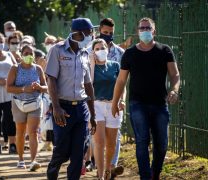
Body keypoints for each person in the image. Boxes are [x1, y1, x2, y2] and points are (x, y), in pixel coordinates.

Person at [112, 17, 180, 180]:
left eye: (147, 28)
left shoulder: (165, 51)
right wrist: (115, 102)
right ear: (137, 32)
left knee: (162, 144)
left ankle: (154, 174)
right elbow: (121, 80)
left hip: (160, 104)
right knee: (142, 141)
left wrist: (175, 90)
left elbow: (175, 74)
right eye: (141, 28)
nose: (144, 31)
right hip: (137, 104)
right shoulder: (130, 53)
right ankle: (145, 177)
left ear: (154, 31)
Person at [45, 18, 97, 180]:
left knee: (79, 150)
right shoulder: (57, 50)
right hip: (63, 109)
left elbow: (88, 86)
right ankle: (52, 172)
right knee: (62, 150)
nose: (92, 36)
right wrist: (56, 107)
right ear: (79, 33)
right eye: (89, 33)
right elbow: (51, 80)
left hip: (81, 109)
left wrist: (93, 115)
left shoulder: (84, 54)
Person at [85, 17, 126, 177]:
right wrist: (92, 61)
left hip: (113, 105)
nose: (101, 49)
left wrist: (121, 100)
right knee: (99, 142)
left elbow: (122, 84)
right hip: (96, 106)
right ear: (93, 50)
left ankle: (109, 169)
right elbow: (88, 83)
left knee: (111, 143)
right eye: (97, 48)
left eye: (103, 48)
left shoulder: (115, 65)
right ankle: (100, 174)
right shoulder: (90, 66)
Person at [6, 45, 48, 170]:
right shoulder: (15, 68)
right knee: (20, 132)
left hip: (35, 103)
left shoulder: (38, 69)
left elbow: (46, 87)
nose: (28, 55)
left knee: (33, 132)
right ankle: (21, 160)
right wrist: (24, 89)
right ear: (21, 54)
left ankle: (33, 161)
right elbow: (8, 87)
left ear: (34, 55)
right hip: (19, 104)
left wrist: (39, 87)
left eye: (30, 53)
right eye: (25, 53)